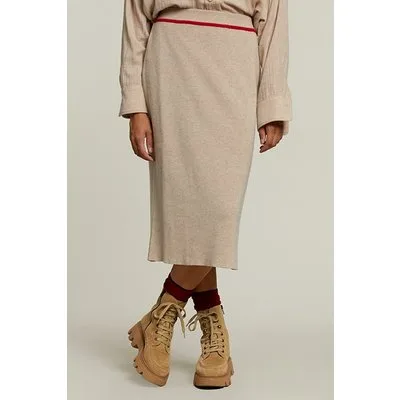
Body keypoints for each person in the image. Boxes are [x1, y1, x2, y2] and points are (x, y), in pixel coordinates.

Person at [118, 0, 292, 389]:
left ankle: (162, 312)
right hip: (170, 67)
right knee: (189, 212)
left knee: (218, 210)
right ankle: (214, 332)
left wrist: (273, 101)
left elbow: (274, 23)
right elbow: (135, 18)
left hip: (235, 67)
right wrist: (136, 104)